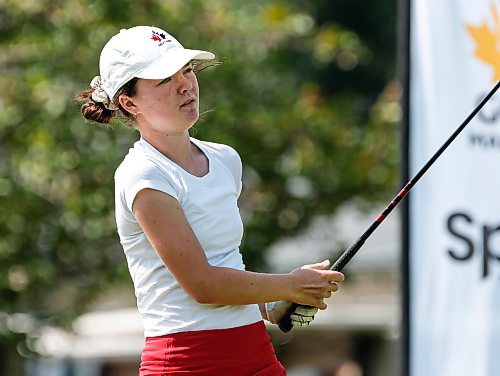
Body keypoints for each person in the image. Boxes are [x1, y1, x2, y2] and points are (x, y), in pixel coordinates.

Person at [76, 25, 344, 376]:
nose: (185, 85)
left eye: (186, 70)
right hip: (186, 361)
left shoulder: (224, 159)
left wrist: (270, 304)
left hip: (254, 353)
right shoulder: (143, 175)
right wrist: (289, 283)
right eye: (163, 79)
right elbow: (203, 285)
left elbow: (226, 261)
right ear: (129, 102)